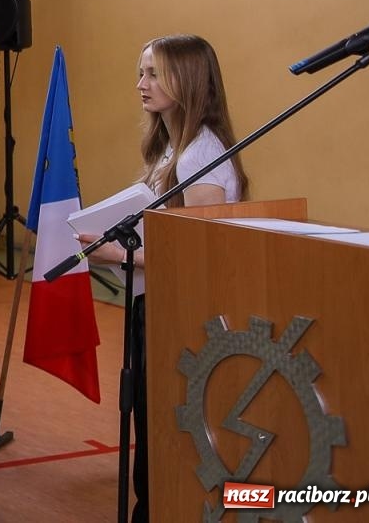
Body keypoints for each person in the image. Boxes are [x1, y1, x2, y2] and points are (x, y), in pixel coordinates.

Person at [78, 33, 247, 523]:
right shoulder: (172, 148)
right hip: (152, 307)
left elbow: (196, 252)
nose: (141, 84)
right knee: (148, 432)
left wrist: (116, 250)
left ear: (188, 79)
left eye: (153, 73)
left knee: (168, 435)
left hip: (180, 315)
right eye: (140, 72)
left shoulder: (202, 157)